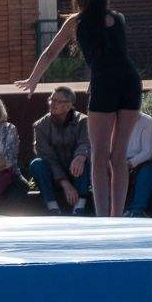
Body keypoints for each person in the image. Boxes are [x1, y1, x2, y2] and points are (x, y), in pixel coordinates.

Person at [18, 0, 145, 218]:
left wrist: (33, 80)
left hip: (104, 83)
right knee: (119, 155)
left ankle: (102, 217)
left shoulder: (76, 22)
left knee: (99, 155)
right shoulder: (117, 18)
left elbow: (49, 53)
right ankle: (117, 216)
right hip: (130, 81)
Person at [28, 86, 91, 215]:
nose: (52, 103)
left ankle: (80, 205)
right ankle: (52, 207)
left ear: (68, 106)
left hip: (77, 171)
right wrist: (65, 183)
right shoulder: (40, 126)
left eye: (58, 101)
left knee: (84, 160)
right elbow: (46, 156)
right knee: (37, 164)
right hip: (54, 173)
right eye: (52, 99)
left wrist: (81, 156)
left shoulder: (83, 121)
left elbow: (86, 143)